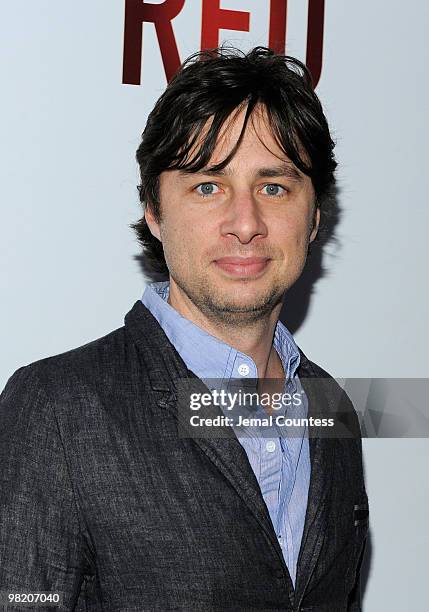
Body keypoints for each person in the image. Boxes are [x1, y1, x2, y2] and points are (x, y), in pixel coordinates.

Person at [0, 47, 368, 611]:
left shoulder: (331, 406)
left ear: (314, 215)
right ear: (154, 210)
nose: (245, 224)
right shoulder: (57, 407)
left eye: (274, 187)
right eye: (207, 186)